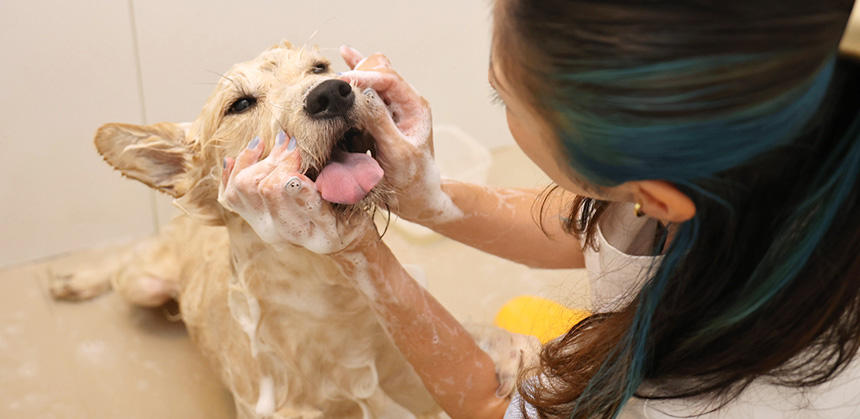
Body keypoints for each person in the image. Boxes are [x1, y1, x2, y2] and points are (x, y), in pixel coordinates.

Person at [219, 0, 860, 417]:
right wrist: (431, 200)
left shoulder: (707, 396)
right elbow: (598, 226)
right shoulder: (781, 147)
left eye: (505, 102)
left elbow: (493, 404)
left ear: (657, 195)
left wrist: (360, 252)